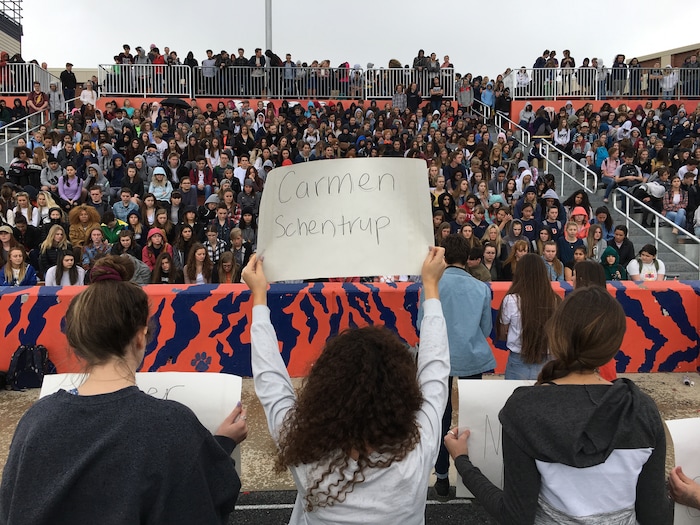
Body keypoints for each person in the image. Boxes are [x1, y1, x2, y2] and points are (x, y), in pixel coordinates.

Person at [0, 255, 246, 524]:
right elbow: (208, 495)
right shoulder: (174, 425)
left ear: (77, 341)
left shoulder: (34, 421)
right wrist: (218, 446)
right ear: (141, 337)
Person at [244, 248, 449, 523]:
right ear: (402, 392)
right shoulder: (420, 447)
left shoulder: (302, 448)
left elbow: (270, 380)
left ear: (324, 389)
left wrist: (259, 297)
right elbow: (435, 369)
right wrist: (431, 288)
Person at [445, 286, 672, 524]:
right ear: (614, 345)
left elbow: (514, 516)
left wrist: (462, 462)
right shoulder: (641, 410)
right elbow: (654, 516)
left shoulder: (524, 409)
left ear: (555, 334)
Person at [417, 235, 493, 499]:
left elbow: (422, 324)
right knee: (473, 421)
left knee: (440, 417)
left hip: (441, 357)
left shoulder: (431, 286)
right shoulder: (482, 288)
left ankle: (440, 477)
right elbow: (486, 329)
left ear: (445, 257)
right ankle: (470, 477)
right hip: (471, 356)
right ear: (467, 258)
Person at [497, 253, 561, 379]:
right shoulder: (556, 300)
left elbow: (502, 333)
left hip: (518, 359)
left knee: (516, 397)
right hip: (548, 360)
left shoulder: (511, 300)